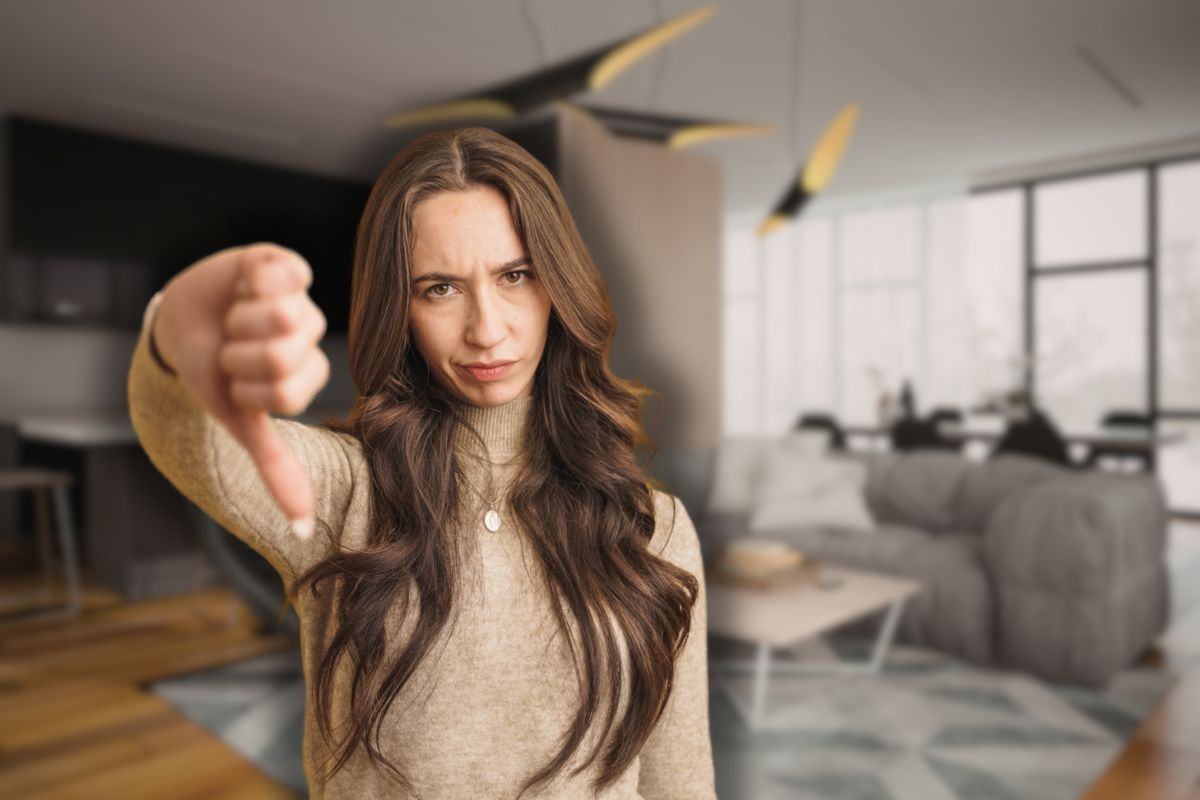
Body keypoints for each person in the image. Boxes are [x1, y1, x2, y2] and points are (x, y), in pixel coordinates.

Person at [127, 125, 716, 800]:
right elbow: (185, 435)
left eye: (515, 275)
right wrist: (174, 331)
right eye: (439, 288)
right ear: (399, 308)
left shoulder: (656, 529)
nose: (486, 329)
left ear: (558, 285)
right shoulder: (345, 492)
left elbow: (680, 783)